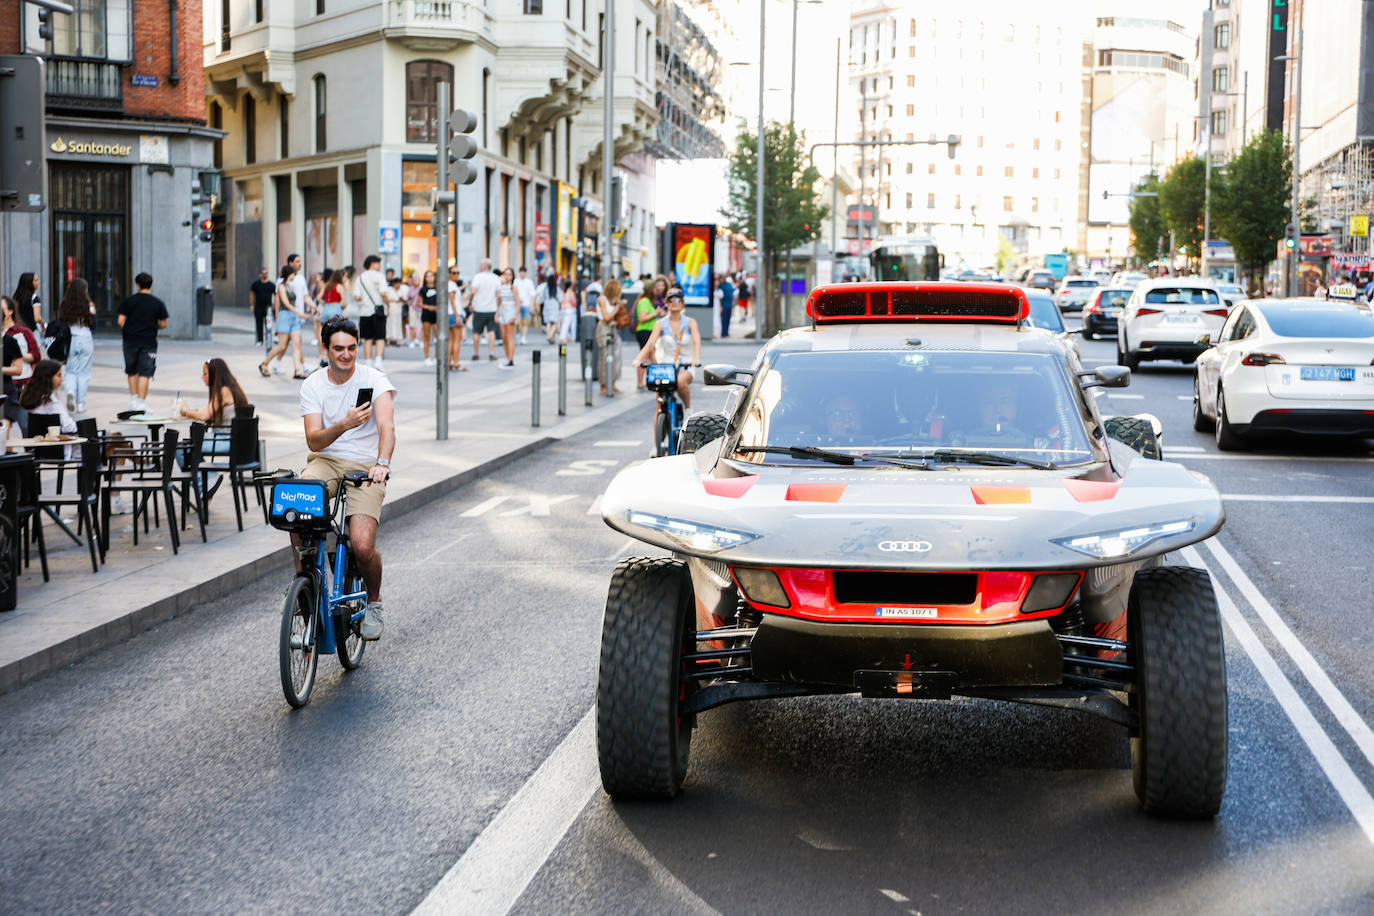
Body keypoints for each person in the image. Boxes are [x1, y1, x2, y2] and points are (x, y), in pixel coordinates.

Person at [297, 316, 396, 639]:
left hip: (366, 464)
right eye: (339, 348)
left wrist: (382, 462)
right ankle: (302, 583)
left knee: (362, 545)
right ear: (325, 348)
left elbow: (387, 428)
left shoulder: (375, 380)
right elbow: (314, 441)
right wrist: (345, 423)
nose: (346, 355)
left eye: (352, 348)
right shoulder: (312, 384)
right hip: (324, 459)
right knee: (297, 500)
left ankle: (375, 601)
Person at [632, 287, 701, 410]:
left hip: (685, 366)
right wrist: (638, 360)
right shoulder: (660, 324)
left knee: (680, 382)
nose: (674, 302)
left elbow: (696, 341)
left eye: (677, 299)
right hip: (665, 367)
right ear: (666, 303)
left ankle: (688, 410)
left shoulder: (691, 322)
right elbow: (650, 344)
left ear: (682, 303)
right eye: (670, 300)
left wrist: (695, 359)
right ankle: (661, 424)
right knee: (660, 406)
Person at [116, 272, 169, 411]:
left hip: (129, 340)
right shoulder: (157, 303)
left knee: (132, 370)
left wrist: (131, 328)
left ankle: (133, 401)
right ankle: (141, 403)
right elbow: (164, 323)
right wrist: (153, 326)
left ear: (137, 284)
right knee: (145, 372)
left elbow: (120, 321)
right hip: (149, 341)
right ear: (150, 285)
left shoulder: (129, 301)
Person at [261, 264, 310, 378]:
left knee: (297, 344)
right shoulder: (281, 287)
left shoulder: (290, 286)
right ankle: (264, 364)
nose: (295, 276)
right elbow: (286, 304)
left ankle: (297, 371)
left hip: (294, 318)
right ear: (289, 273)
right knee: (282, 346)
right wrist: (301, 314)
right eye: (293, 273)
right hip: (285, 317)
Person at [57, 278, 97, 413]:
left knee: (70, 370)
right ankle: (81, 404)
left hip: (70, 339)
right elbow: (94, 325)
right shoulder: (89, 305)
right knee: (84, 373)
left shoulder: (64, 305)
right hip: (86, 339)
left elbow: (61, 323)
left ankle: (70, 393)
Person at [18, 360, 77, 452]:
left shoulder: (28, 397)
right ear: (48, 377)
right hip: (59, 448)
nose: (62, 379)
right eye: (59, 375)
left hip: (34, 448)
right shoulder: (51, 401)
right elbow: (69, 427)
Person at [2, 296, 34, 433]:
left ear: (9, 311)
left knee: (23, 426)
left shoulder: (19, 334)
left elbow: (35, 356)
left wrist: (21, 356)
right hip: (8, 385)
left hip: (18, 386)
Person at [356, 255, 388, 368]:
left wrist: (364, 299)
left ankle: (368, 362)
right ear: (373, 263)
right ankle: (378, 361)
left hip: (364, 311)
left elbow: (356, 296)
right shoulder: (380, 276)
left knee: (367, 338)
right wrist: (388, 303)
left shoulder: (360, 277)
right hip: (378, 310)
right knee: (380, 337)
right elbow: (384, 293)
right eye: (378, 263)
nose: (379, 266)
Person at [467, 258, 501, 361]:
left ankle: (476, 353)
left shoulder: (477, 277)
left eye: (481, 264)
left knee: (476, 332)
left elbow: (472, 292)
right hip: (492, 308)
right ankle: (491, 353)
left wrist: (470, 303)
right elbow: (499, 295)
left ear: (484, 266)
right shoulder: (496, 278)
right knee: (491, 331)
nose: (479, 266)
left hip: (479, 309)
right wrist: (498, 307)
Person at [595, 278, 624, 395]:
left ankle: (612, 383)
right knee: (604, 357)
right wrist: (616, 309)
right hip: (603, 328)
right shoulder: (602, 300)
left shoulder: (612, 300)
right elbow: (606, 317)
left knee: (616, 356)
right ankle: (603, 385)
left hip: (613, 328)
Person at [631, 282, 658, 390]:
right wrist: (655, 314)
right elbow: (642, 318)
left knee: (651, 357)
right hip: (644, 331)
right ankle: (641, 383)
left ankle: (648, 381)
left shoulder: (647, 301)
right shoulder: (644, 301)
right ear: (651, 290)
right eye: (655, 288)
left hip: (649, 331)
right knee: (645, 357)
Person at [496, 266, 521, 368]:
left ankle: (510, 359)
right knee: (504, 337)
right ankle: (507, 358)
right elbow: (500, 303)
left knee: (510, 337)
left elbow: (518, 303)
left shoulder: (513, 287)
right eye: (505, 274)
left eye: (509, 274)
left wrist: (515, 315)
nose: (507, 276)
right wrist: (497, 314)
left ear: (512, 276)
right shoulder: (501, 287)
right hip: (502, 311)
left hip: (510, 310)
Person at [248, 267, 276, 346]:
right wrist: (251, 305)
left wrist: (274, 305)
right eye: (263, 273)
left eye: (266, 273)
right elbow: (251, 294)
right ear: (260, 274)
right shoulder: (256, 284)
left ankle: (268, 339)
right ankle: (260, 340)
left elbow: (276, 296)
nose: (265, 275)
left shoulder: (271, 285)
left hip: (268, 308)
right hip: (258, 307)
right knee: (259, 324)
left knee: (268, 325)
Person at [418, 269, 440, 366]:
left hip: (436, 314)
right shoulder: (423, 289)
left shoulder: (438, 288)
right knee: (426, 336)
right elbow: (418, 303)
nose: (430, 278)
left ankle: (436, 357)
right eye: (427, 276)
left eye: (431, 276)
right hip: (426, 314)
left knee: (437, 336)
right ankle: (427, 357)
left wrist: (436, 307)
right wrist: (427, 307)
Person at [447, 266, 467, 370]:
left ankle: (449, 362)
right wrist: (457, 316)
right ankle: (456, 363)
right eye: (454, 273)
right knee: (456, 340)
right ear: (449, 274)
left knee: (451, 340)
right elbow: (452, 301)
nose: (456, 275)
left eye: (458, 273)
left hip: (450, 314)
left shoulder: (452, 285)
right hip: (454, 314)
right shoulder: (451, 285)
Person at [513, 265, 536, 345]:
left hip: (526, 304)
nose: (522, 274)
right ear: (519, 273)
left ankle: (523, 337)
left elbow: (532, 294)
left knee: (525, 322)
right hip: (517, 304)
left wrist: (532, 305)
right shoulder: (515, 281)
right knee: (518, 322)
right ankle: (518, 332)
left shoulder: (529, 282)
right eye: (521, 272)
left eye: (524, 272)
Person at [384, 276, 406, 349]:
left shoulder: (401, 290)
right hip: (390, 308)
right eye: (397, 283)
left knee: (398, 324)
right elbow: (385, 299)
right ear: (394, 283)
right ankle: (388, 341)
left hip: (398, 310)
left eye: (399, 283)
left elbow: (404, 300)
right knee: (389, 324)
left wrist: (401, 299)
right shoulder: (389, 289)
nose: (398, 285)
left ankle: (398, 341)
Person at [539, 270, 561, 343]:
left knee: (548, 323)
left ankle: (551, 337)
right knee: (554, 323)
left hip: (547, 305)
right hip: (555, 305)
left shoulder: (546, 288)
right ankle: (550, 336)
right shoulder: (557, 288)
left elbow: (542, 298)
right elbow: (560, 298)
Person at [557, 276, 578, 343]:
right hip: (569, 309)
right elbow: (574, 302)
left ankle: (565, 336)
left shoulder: (563, 292)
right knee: (568, 324)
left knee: (564, 324)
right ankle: (563, 337)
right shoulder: (571, 292)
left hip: (563, 309)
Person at [718, 273, 736, 338]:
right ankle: (723, 332)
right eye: (723, 277)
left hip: (729, 305)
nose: (724, 278)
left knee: (728, 319)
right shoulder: (721, 285)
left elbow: (732, 293)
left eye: (725, 277)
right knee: (724, 319)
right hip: (724, 305)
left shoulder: (729, 284)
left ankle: (727, 332)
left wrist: (733, 302)